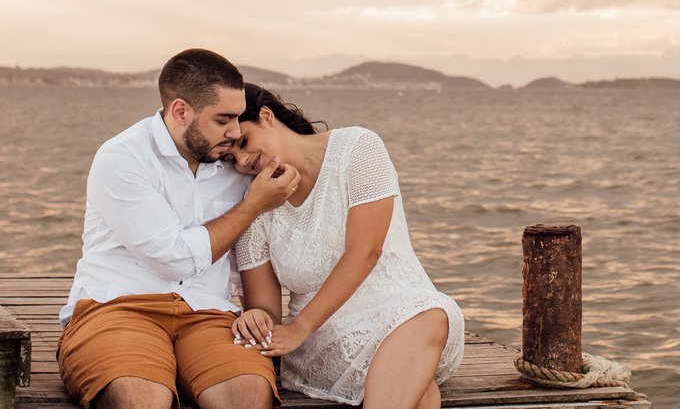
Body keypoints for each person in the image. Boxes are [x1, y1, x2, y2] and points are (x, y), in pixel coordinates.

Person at [57, 49, 302, 409]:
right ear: (180, 111)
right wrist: (252, 206)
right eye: (223, 119)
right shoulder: (123, 157)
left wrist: (258, 311)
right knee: (140, 401)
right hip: (117, 307)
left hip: (211, 315)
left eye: (237, 118)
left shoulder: (236, 164)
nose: (235, 132)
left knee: (249, 397)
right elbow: (174, 259)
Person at [227, 84, 464, 409]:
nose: (241, 160)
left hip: (406, 316)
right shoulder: (256, 202)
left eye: (243, 142)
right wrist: (254, 317)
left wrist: (298, 328)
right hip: (325, 340)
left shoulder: (359, 148)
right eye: (230, 158)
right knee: (420, 391)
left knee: (431, 315)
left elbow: (365, 252)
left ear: (266, 117)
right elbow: (265, 309)